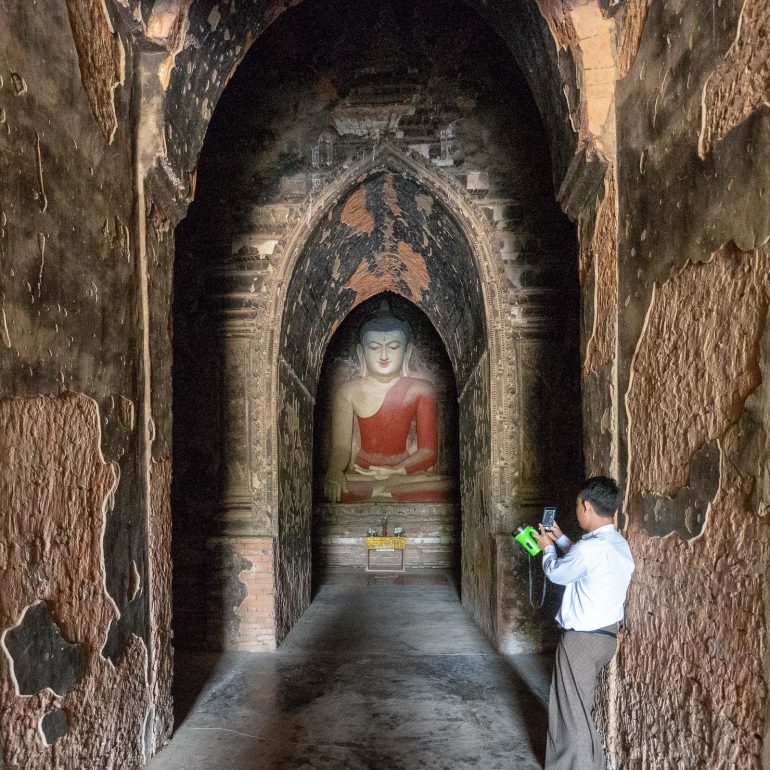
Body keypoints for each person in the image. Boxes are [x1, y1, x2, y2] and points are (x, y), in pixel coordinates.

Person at [532, 476, 635, 770]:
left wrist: (546, 548)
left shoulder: (589, 550)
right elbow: (584, 561)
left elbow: (557, 573)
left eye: (578, 505)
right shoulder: (617, 544)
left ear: (587, 506)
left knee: (571, 714)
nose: (576, 509)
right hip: (606, 638)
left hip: (581, 642)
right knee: (577, 708)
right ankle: (594, 764)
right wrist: (561, 539)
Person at [323, 301, 454, 503]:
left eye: (393, 347)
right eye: (374, 347)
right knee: (322, 484)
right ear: (361, 353)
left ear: (407, 352)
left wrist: (396, 471)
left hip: (404, 473)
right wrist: (334, 471)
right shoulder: (348, 392)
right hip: (363, 473)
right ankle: (388, 489)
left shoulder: (421, 390)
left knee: (450, 485)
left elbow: (428, 452)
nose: (384, 355)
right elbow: (341, 449)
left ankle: (381, 489)